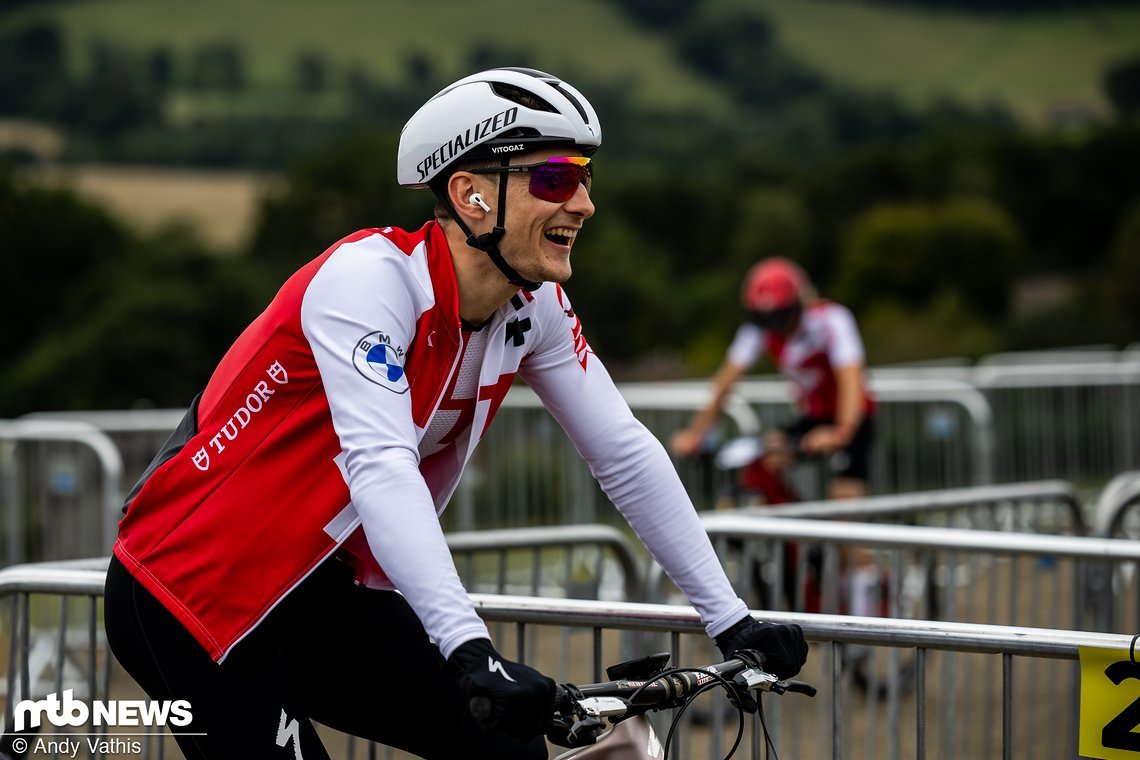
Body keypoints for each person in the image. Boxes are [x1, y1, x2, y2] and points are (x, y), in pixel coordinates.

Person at [102, 68, 807, 760]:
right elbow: (381, 469)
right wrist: (470, 649)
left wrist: (732, 620)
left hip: (314, 589)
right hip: (187, 593)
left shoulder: (533, 309)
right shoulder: (369, 283)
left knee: (510, 748)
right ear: (471, 195)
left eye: (587, 178)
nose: (585, 203)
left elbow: (621, 451)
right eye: (557, 178)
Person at [671, 257, 876, 504]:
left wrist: (842, 431)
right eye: (766, 321)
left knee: (845, 508)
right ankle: (801, 537)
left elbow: (851, 380)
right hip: (813, 416)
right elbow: (725, 383)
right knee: (762, 466)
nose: (776, 329)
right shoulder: (760, 329)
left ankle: (839, 537)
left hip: (852, 417)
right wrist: (696, 433)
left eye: (780, 318)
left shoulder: (831, 320)